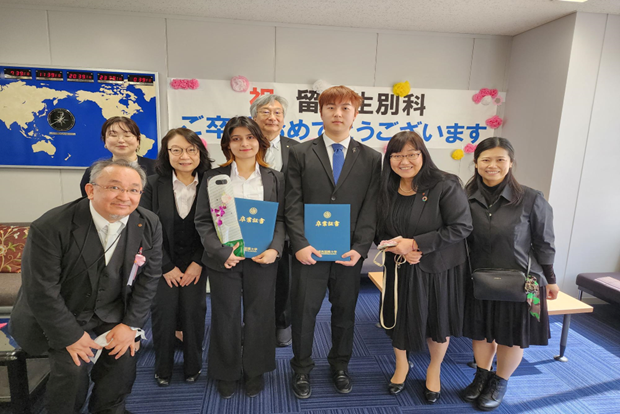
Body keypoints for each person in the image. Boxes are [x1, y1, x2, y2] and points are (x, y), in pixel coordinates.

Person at [10, 159, 163, 414]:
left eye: (134, 190)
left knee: (123, 357)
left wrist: (130, 325)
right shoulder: (51, 226)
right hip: (59, 314)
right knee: (73, 368)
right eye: (115, 187)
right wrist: (71, 335)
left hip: (110, 310)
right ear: (90, 190)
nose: (124, 196)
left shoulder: (148, 223)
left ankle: (110, 408)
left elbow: (149, 277)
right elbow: (41, 289)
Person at [285, 85, 381, 399]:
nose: (337, 114)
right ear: (321, 112)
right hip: (309, 253)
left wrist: (360, 248)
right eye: (330, 107)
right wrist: (299, 243)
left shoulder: (371, 158)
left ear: (355, 114)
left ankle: (340, 366)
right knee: (303, 313)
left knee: (344, 314)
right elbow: (292, 202)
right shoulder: (300, 152)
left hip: (347, 253)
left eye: (345, 108)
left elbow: (370, 207)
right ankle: (301, 368)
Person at [462, 137, 559, 411]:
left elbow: (545, 242)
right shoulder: (464, 197)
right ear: (476, 163)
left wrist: (551, 279)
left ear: (511, 163)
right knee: (480, 332)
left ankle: (500, 381)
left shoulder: (532, 198)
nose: (492, 165)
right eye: (485, 159)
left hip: (525, 282)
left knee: (513, 335)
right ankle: (482, 376)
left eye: (500, 159)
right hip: (478, 278)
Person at [376, 131, 472, 402]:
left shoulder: (445, 184)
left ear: (423, 155)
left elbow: (461, 227)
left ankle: (434, 369)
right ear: (389, 159)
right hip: (399, 267)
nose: (404, 161)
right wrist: (395, 247)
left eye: (411, 154)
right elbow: (377, 231)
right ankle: (402, 365)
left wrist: (416, 244)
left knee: (436, 322)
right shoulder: (385, 188)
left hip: (436, 268)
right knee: (398, 318)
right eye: (397, 155)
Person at [195, 116, 285, 398]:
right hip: (224, 258)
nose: (244, 143)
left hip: (262, 258)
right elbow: (203, 220)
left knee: (261, 314)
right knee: (226, 314)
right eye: (236, 138)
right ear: (227, 144)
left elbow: (280, 219)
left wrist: (275, 249)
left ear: (260, 141)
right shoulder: (213, 177)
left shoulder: (274, 177)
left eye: (250, 137)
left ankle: (255, 370)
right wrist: (221, 252)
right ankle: (226, 372)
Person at [140, 128, 212, 386]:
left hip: (197, 261)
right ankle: (163, 368)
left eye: (191, 149)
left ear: (200, 153)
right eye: (177, 150)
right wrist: (165, 266)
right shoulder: (152, 184)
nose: (185, 156)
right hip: (161, 262)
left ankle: (193, 365)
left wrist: (198, 263)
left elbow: (219, 227)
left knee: (194, 312)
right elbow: (144, 229)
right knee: (163, 312)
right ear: (166, 153)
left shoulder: (211, 183)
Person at [250, 94, 299, 347]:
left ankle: (282, 323)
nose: (272, 117)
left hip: (286, 224)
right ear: (254, 117)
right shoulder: (245, 145)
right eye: (266, 112)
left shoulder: (298, 149)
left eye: (278, 112)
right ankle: (252, 323)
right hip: (250, 224)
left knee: (284, 278)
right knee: (251, 277)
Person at [80, 116, 156, 196]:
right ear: (105, 141)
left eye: (127, 135)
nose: (121, 140)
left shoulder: (157, 168)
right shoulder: (93, 172)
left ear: (138, 140)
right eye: (113, 135)